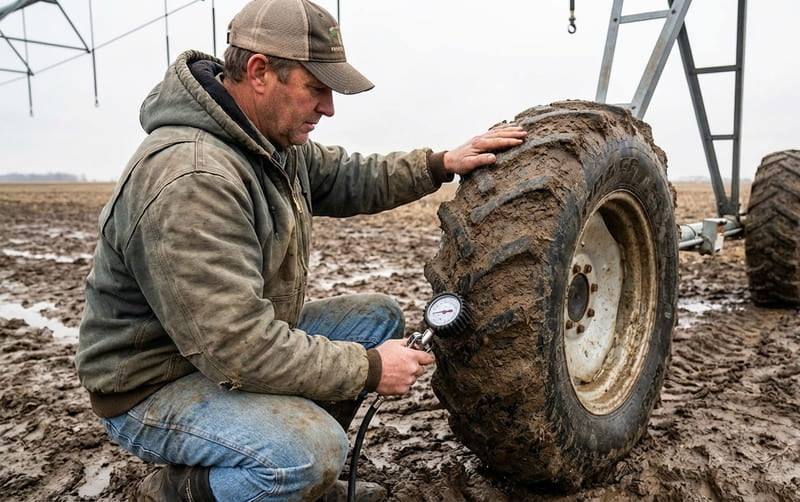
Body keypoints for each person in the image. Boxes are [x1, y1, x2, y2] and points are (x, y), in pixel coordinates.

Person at [73, 0, 524, 500]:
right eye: (316, 88)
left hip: (214, 351)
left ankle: (290, 477)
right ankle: (191, 488)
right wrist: (370, 368)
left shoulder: (265, 143)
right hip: (156, 381)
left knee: (376, 317)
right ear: (260, 72)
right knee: (310, 451)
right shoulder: (194, 178)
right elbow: (239, 349)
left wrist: (441, 163)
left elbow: (350, 176)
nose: (328, 108)